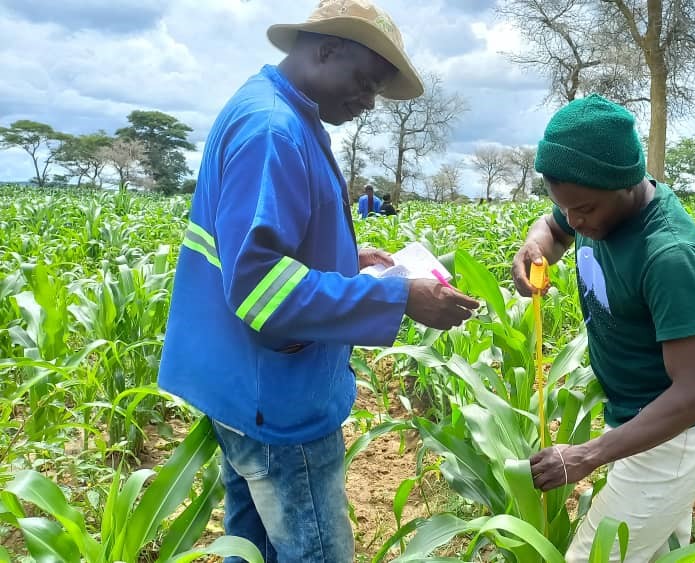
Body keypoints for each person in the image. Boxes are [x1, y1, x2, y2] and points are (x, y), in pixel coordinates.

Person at [157, 2, 479, 562]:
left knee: (252, 546)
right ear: (327, 49)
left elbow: (260, 246)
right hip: (277, 403)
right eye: (365, 82)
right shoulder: (273, 130)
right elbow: (260, 289)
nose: (369, 101)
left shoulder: (276, 111)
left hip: (243, 389)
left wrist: (348, 258)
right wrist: (399, 295)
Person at [510, 94, 695, 562]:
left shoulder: (671, 255)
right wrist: (535, 246)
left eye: (584, 209)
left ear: (627, 183)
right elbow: (554, 228)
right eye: (565, 206)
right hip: (638, 420)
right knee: (657, 552)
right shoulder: (591, 206)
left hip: (677, 432)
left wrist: (586, 455)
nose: (575, 221)